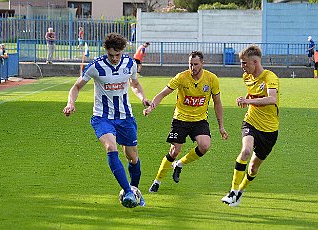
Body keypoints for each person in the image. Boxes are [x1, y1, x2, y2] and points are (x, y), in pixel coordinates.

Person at [63, 33, 150, 208]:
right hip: (102, 117)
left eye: (118, 55)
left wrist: (143, 98)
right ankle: (128, 192)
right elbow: (76, 86)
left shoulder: (130, 64)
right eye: (111, 55)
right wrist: (71, 103)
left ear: (123, 51)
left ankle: (134, 190)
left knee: (132, 157)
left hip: (125, 117)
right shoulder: (96, 66)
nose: (115, 58)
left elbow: (135, 84)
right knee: (111, 147)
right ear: (106, 52)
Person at [144, 50, 228, 193]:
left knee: (205, 145)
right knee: (174, 150)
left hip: (199, 120)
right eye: (190, 64)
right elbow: (163, 93)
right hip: (180, 119)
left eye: (196, 64)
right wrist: (151, 107)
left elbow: (217, 103)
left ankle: (180, 164)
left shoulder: (211, 79)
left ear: (202, 64)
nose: (193, 67)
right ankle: (157, 181)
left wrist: (221, 126)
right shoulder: (181, 77)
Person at [221, 45, 279, 207]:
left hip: (269, 130)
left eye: (245, 63)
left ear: (255, 62)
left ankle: (240, 192)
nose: (242, 66)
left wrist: (248, 101)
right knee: (246, 151)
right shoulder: (246, 77)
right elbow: (252, 92)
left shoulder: (270, 77)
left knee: (253, 168)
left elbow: (271, 99)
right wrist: (245, 98)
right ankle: (232, 191)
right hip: (251, 122)